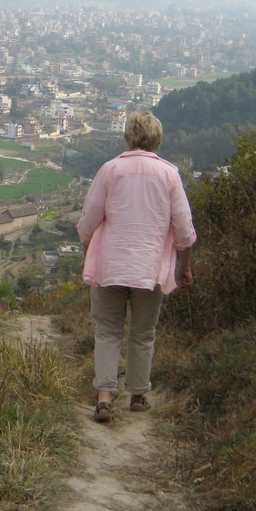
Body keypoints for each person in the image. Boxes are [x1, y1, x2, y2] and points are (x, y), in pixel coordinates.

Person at [77, 111, 196, 423]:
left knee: (107, 331)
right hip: (150, 267)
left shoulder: (110, 170)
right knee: (143, 333)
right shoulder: (169, 175)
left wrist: (88, 254)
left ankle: (104, 397)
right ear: (158, 139)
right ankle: (138, 395)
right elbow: (184, 230)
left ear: (127, 137)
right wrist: (185, 267)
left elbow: (89, 222)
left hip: (110, 265)